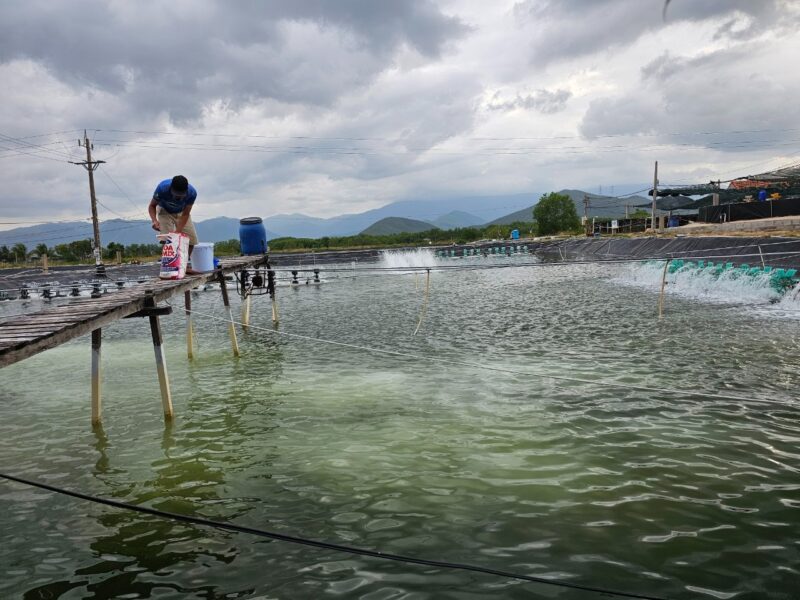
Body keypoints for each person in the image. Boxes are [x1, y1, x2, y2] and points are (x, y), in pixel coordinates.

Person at [148, 175, 200, 270]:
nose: (178, 198)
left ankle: (183, 266)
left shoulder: (192, 193)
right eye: (176, 196)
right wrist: (154, 221)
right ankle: (170, 266)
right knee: (168, 240)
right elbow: (152, 206)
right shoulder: (162, 188)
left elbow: (186, 214)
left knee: (191, 240)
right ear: (171, 188)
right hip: (164, 211)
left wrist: (178, 231)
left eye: (181, 196)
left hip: (182, 213)